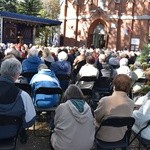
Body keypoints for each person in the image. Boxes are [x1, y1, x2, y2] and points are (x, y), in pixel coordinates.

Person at [0, 58, 36, 143]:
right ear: (17, 74)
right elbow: (29, 121)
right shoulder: (23, 96)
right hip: (10, 134)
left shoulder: (23, 95)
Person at [50, 84, 95, 150]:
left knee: (52, 132)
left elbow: (55, 124)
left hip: (64, 147)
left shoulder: (62, 107)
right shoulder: (88, 107)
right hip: (87, 146)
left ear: (66, 95)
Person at [94, 74, 135, 142]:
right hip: (120, 136)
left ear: (114, 85)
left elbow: (97, 118)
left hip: (102, 136)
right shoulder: (131, 103)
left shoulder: (105, 100)